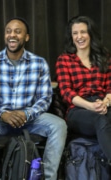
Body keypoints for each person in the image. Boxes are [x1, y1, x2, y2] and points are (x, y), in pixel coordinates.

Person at [0, 17, 67, 180]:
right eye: (8, 31)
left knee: (59, 125)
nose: (12, 35)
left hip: (31, 119)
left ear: (26, 37)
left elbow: (44, 98)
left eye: (17, 31)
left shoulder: (39, 63)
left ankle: (47, 177)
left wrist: (26, 114)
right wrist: (3, 114)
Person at [56, 15, 111, 160]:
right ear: (71, 37)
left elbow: (110, 87)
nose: (79, 36)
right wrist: (91, 106)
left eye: (83, 32)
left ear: (90, 34)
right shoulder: (65, 60)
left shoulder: (104, 57)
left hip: (103, 104)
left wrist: (105, 103)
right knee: (101, 120)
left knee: (105, 117)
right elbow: (66, 92)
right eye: (75, 33)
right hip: (78, 110)